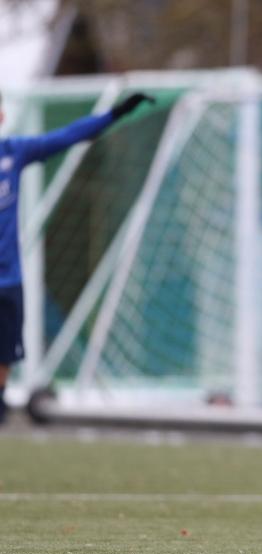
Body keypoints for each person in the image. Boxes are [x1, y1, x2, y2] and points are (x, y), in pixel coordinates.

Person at [0, 92, 154, 424]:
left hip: (9, 282)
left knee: (4, 360)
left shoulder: (14, 153)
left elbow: (69, 135)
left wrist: (114, 114)